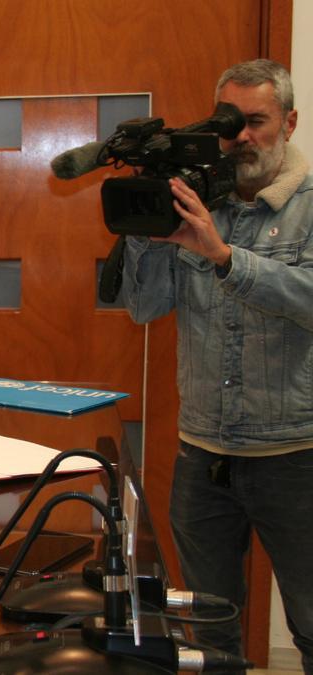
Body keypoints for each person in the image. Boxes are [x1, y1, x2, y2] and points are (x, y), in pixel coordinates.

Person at [121, 58, 313, 671]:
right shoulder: (201, 199)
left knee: (312, 623)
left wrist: (226, 256)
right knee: (206, 631)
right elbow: (144, 310)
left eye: (256, 121)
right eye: (230, 124)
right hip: (202, 456)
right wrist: (144, 235)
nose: (243, 138)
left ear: (289, 121)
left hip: (295, 457)